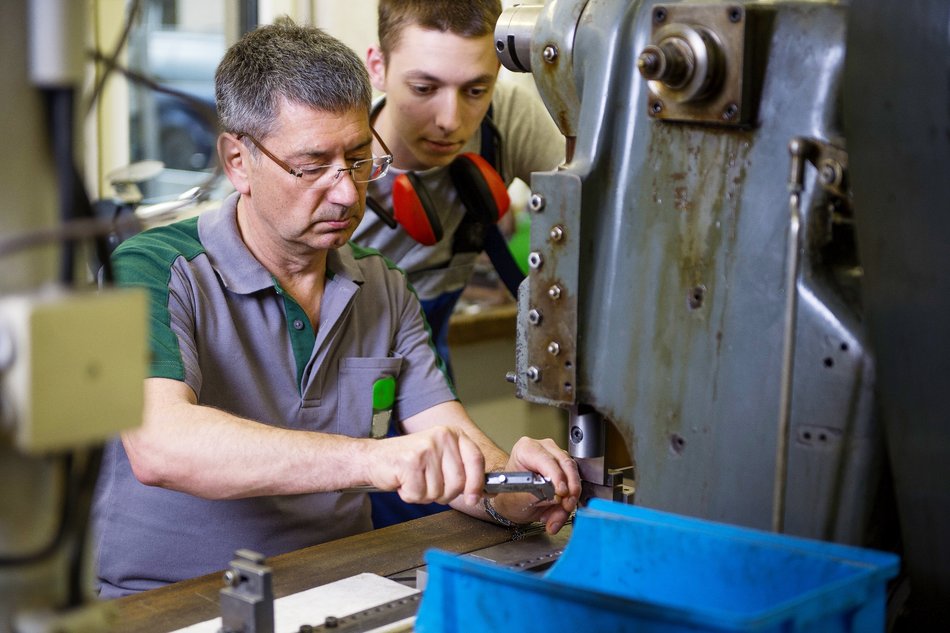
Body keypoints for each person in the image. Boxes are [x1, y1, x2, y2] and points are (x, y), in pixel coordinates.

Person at [91, 19, 580, 599]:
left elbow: (455, 452)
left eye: (357, 159)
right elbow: (161, 445)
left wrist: (521, 487)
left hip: (346, 588)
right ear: (237, 160)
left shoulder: (383, 286)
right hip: (171, 602)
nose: (348, 192)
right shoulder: (149, 270)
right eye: (311, 165)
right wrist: (373, 461)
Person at [351, 0, 566, 529]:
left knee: (448, 511)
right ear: (377, 67)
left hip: (428, 347)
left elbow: (593, 218)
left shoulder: (503, 122)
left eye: (476, 89)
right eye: (424, 89)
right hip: (341, 364)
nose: (452, 121)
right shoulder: (340, 165)